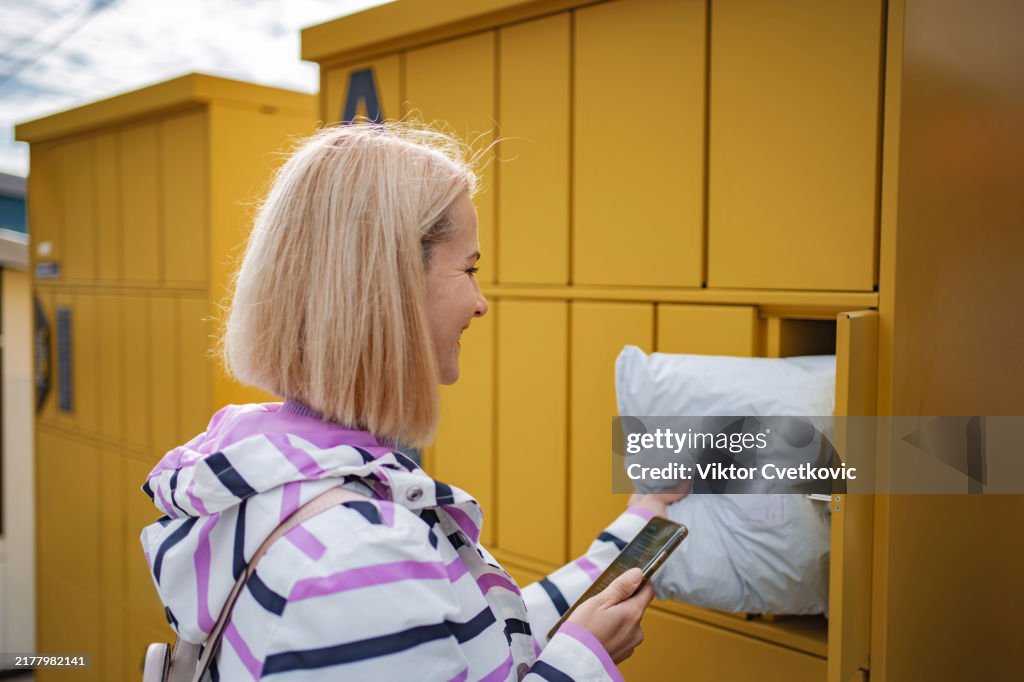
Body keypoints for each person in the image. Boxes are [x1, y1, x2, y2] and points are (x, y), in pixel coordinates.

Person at [140, 123, 683, 681]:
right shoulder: (356, 555)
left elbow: (465, 641)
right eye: (469, 268)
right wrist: (583, 662)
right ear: (390, 283)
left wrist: (639, 524)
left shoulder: (278, 481)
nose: (481, 303)